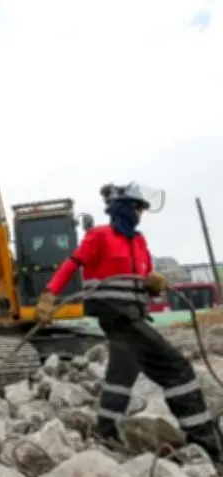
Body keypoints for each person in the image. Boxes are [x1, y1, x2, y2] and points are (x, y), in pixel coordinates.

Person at [34, 183, 223, 462]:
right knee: (177, 369)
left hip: (133, 313)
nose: (139, 214)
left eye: (142, 209)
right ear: (123, 208)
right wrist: (50, 294)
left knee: (123, 372)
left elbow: (145, 277)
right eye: (136, 208)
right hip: (115, 314)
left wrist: (153, 283)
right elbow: (71, 264)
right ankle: (207, 445)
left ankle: (105, 431)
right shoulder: (99, 236)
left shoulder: (139, 241)